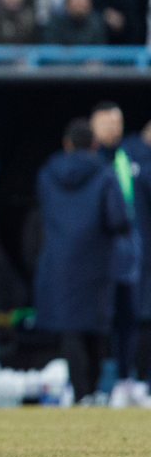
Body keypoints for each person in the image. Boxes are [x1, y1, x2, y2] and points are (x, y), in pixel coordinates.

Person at [35, 118, 132, 399]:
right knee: (95, 328)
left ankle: (80, 394)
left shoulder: (46, 174)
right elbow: (119, 219)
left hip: (59, 263)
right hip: (96, 262)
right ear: (93, 144)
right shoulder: (105, 174)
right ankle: (92, 392)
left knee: (69, 329)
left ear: (66, 144)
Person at [89, 103, 142, 397]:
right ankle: (97, 385)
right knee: (100, 320)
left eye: (117, 122)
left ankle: (126, 381)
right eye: (106, 123)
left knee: (129, 318)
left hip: (128, 252)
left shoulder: (127, 156)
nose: (113, 128)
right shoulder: (90, 161)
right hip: (99, 254)